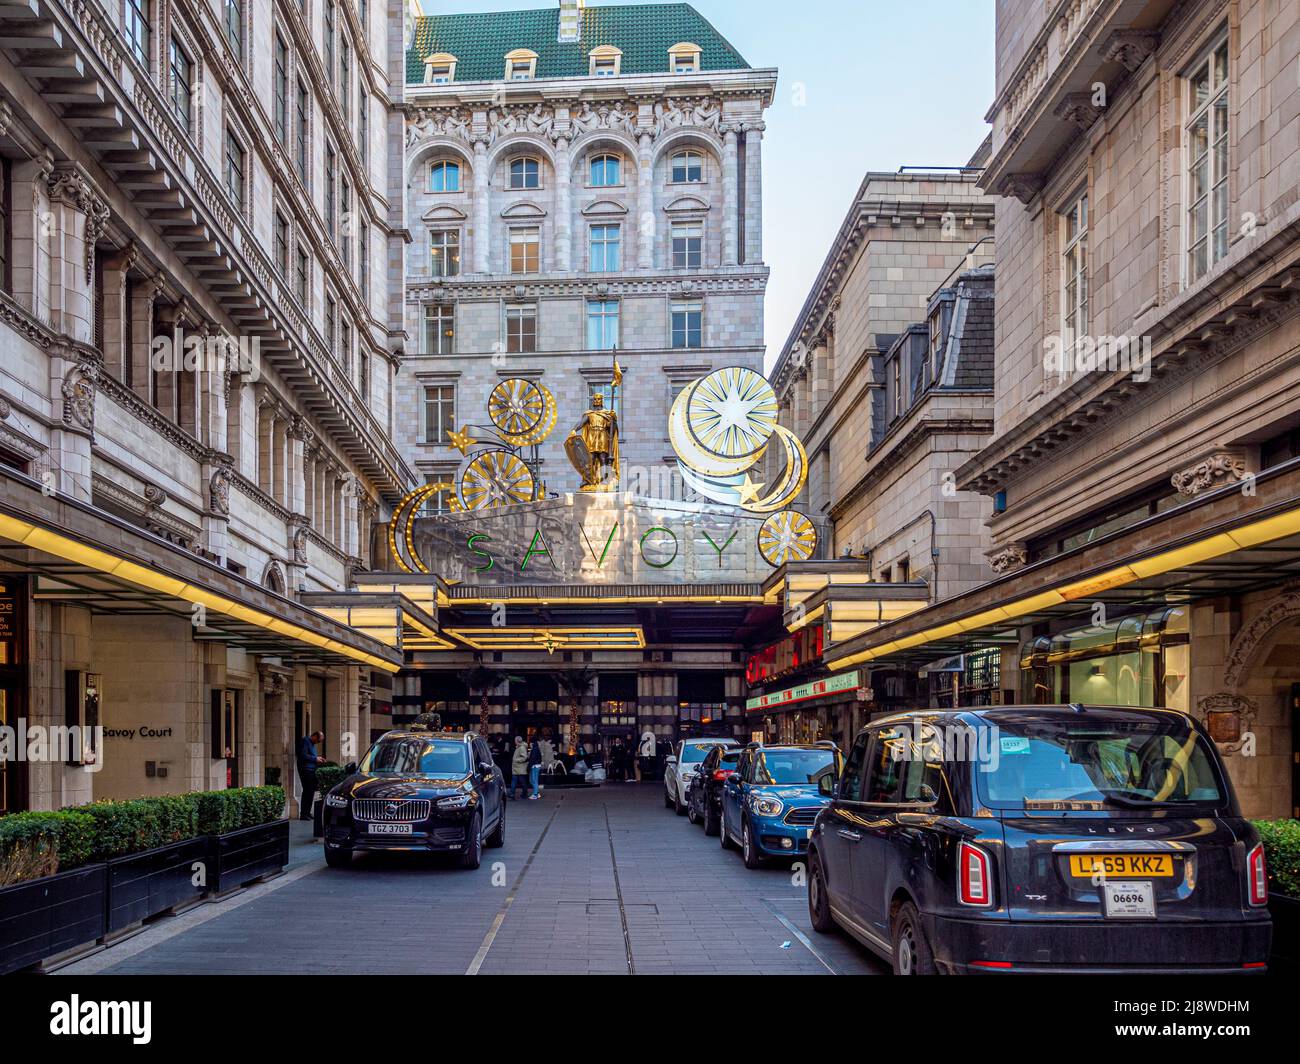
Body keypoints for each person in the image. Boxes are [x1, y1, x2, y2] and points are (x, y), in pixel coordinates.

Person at [296, 731, 325, 820]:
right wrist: (315, 759)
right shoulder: (305, 741)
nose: (318, 743)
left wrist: (318, 758)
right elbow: (302, 755)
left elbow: (311, 756)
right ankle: (303, 814)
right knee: (307, 792)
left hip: (311, 770)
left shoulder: (312, 744)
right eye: (318, 741)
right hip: (306, 770)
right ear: (315, 736)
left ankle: (307, 812)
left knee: (311, 792)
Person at [510, 736, 530, 800]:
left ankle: (524, 794)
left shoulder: (522, 748)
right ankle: (512, 794)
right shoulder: (519, 747)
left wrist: (516, 760)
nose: (514, 741)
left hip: (520, 768)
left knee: (522, 782)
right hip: (516, 768)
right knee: (514, 781)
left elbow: (524, 757)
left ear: (517, 741)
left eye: (515, 740)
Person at [528, 734, 543, 799]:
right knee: (533, 780)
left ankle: (535, 794)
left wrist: (529, 766)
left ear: (532, 743)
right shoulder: (536, 748)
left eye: (530, 743)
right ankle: (537, 793)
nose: (529, 744)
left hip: (535, 766)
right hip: (536, 765)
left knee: (534, 780)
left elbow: (532, 759)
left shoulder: (534, 749)